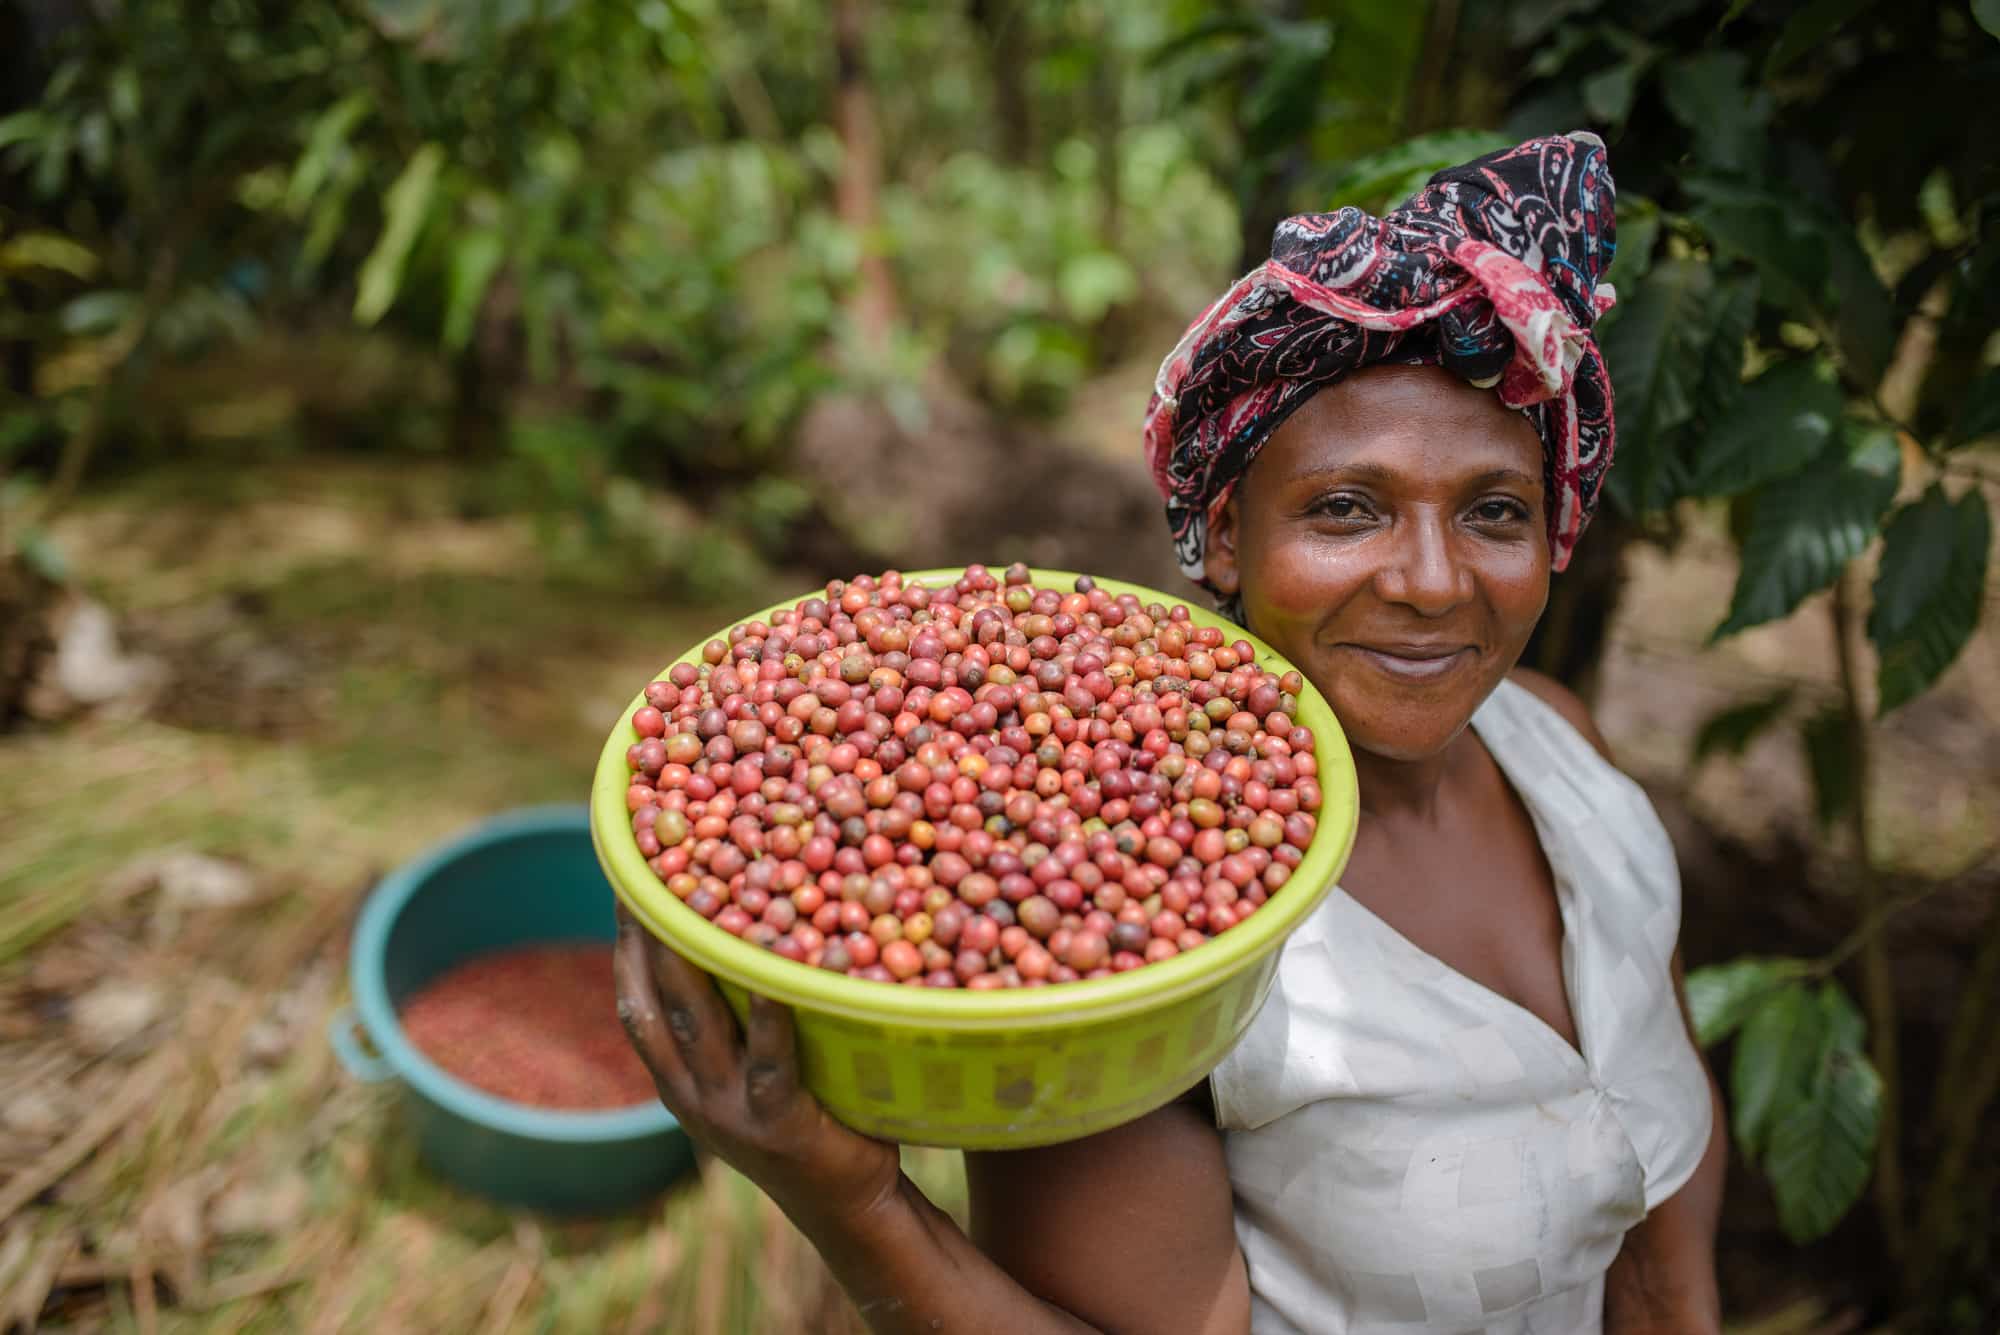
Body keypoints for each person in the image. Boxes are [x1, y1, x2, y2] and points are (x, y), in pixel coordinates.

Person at [614, 130, 1727, 1334]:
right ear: (1227, 538)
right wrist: (851, 1202)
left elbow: (1662, 1258)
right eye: (1345, 509)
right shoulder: (1143, 942)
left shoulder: (1563, 755)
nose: (1428, 581)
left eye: (1494, 512)